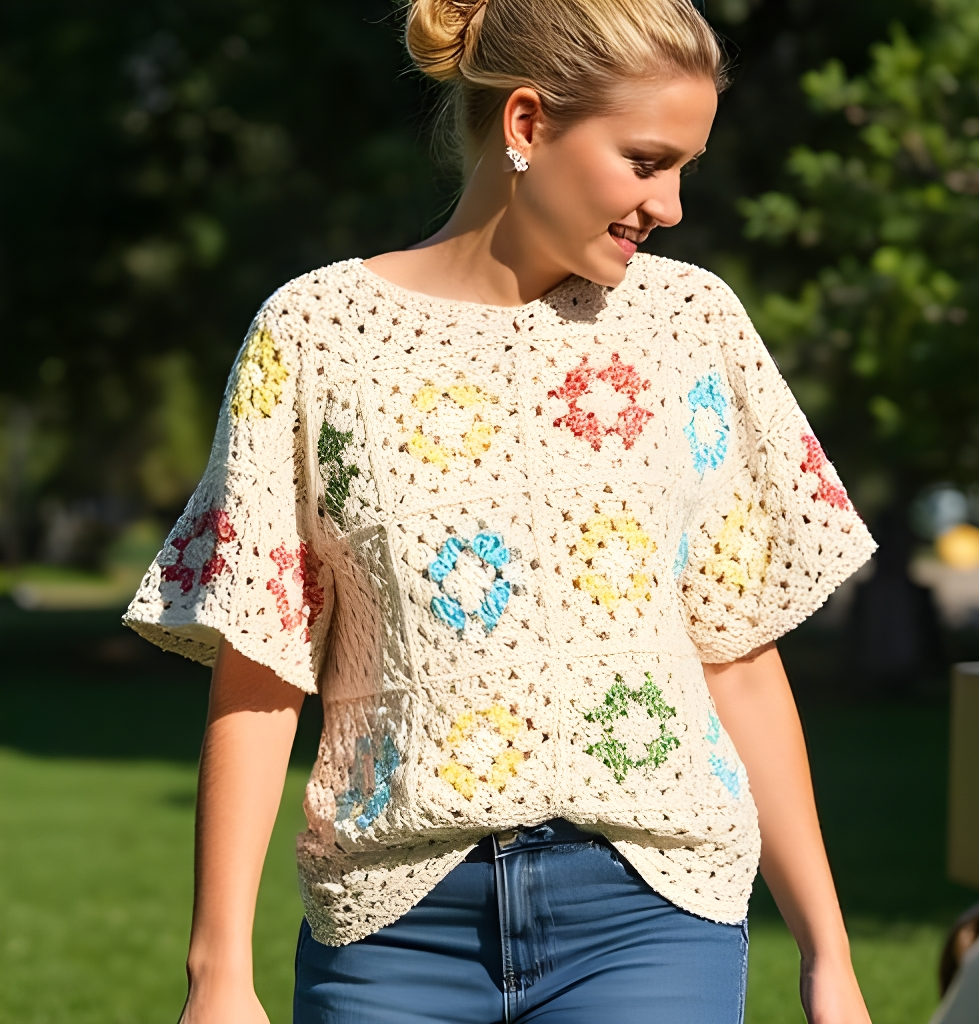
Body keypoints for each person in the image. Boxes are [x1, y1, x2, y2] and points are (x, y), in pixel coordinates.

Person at [124, 1, 877, 1021]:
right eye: (648, 160)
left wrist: (827, 956)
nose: (673, 205)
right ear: (525, 125)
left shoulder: (688, 326)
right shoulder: (315, 337)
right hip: (391, 928)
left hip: (650, 911)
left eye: (685, 168)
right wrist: (217, 972)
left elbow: (736, 649)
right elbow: (263, 661)